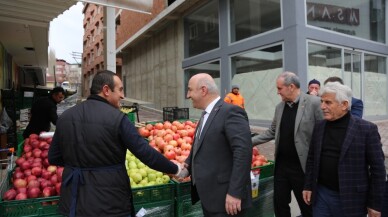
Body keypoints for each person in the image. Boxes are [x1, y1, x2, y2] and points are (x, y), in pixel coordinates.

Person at [48, 70, 187, 217]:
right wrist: (176, 169)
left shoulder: (65, 117)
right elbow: (146, 154)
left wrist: (79, 163)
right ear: (106, 90)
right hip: (109, 202)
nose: (122, 95)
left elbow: (53, 157)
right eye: (120, 90)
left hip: (74, 202)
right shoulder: (118, 119)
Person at [303, 82, 386, 217]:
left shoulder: (366, 129)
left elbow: (378, 170)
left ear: (344, 105)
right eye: (322, 101)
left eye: (328, 102)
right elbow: (312, 158)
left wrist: (374, 204)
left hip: (351, 199)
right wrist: (308, 185)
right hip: (321, 195)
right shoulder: (319, 126)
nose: (322, 106)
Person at [251, 71, 323, 217]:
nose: (277, 92)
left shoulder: (314, 103)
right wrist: (246, 142)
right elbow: (271, 132)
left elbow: (323, 133)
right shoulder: (279, 107)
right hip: (282, 168)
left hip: (302, 169)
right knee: (280, 205)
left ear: (291, 86)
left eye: (279, 88)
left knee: (307, 208)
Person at [183, 73, 252, 216]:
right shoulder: (206, 114)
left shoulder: (231, 112)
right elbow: (199, 145)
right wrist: (186, 166)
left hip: (226, 201)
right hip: (210, 198)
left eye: (190, 90)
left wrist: (235, 192)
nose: (188, 95)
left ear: (203, 90)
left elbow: (243, 153)